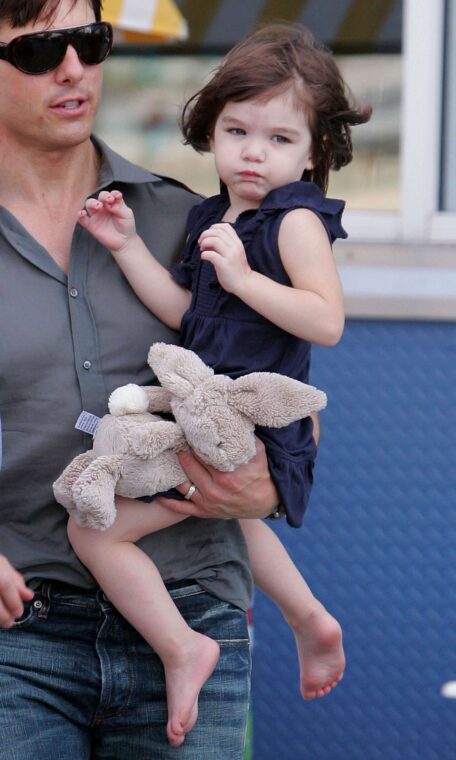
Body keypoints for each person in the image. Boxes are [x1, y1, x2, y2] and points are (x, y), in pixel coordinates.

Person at [67, 19, 371, 747]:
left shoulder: (292, 221)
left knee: (93, 531)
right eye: (237, 132)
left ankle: (183, 647)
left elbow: (325, 321)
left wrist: (240, 274)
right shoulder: (215, 215)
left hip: (251, 415)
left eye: (279, 139)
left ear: (316, 150)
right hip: (212, 407)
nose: (253, 154)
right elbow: (187, 314)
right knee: (227, 516)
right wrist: (129, 245)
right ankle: (307, 617)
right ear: (212, 129)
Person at [0, 2, 283, 758]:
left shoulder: (192, 222)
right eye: (39, 51)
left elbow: (283, 392)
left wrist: (270, 485)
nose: (73, 69)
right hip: (16, 631)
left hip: (194, 612)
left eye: (89, 43)